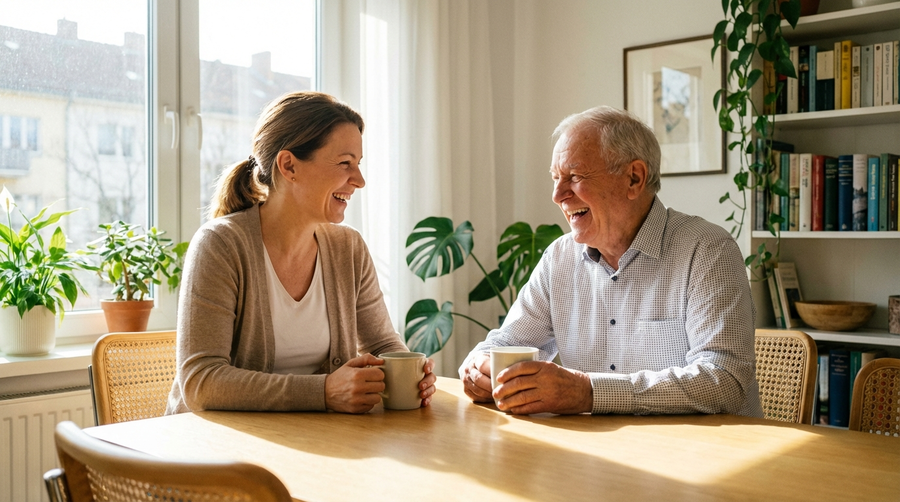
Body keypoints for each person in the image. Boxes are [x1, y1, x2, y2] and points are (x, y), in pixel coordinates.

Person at [458, 106, 763, 417]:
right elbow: (505, 343)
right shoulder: (558, 259)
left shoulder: (707, 250)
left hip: (701, 456)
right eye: (555, 178)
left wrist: (589, 393)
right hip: (597, 455)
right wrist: (478, 368)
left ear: (634, 178)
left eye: (574, 177)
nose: (557, 194)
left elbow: (724, 380)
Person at [166, 91, 435, 415]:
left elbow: (382, 345)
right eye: (344, 163)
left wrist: (410, 374)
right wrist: (323, 392)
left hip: (313, 442)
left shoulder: (348, 248)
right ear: (289, 165)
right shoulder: (220, 245)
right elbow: (202, 383)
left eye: (358, 164)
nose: (359, 181)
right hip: (218, 451)